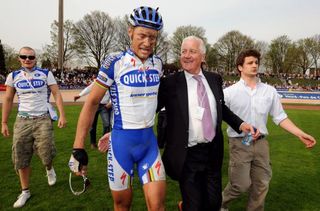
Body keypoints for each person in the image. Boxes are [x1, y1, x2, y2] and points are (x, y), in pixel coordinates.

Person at [69, 6, 166, 211]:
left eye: (153, 37)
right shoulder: (115, 61)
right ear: (130, 31)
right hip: (122, 144)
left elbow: (149, 103)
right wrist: (78, 147)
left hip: (149, 143)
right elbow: (92, 102)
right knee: (122, 205)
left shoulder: (158, 64)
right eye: (142, 35)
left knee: (157, 205)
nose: (147, 43)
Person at [157, 36, 258, 211]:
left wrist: (241, 124)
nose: (186, 55)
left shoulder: (214, 79)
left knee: (213, 203)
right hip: (187, 154)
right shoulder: (170, 83)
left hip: (212, 152)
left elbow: (221, 108)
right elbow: (150, 108)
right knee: (194, 205)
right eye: (183, 51)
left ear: (203, 57)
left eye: (192, 51)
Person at [220, 49, 317, 211]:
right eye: (250, 63)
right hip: (239, 143)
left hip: (262, 144)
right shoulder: (229, 93)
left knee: (261, 184)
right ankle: (219, 204)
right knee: (240, 185)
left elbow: (280, 117)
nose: (254, 65)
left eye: (256, 62)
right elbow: (220, 115)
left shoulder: (269, 91)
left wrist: (300, 134)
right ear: (240, 67)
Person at [1, 46, 67, 208]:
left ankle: (49, 168)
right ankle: (25, 191)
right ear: (19, 58)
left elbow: (57, 94)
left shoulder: (45, 74)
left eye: (31, 57)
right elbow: (8, 99)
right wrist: (3, 122)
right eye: (24, 57)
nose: (27, 60)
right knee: (20, 156)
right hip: (22, 121)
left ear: (35, 58)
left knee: (46, 152)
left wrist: (62, 115)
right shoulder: (13, 76)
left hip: (43, 119)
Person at [74, 81, 112, 149]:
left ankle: (104, 142)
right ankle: (93, 142)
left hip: (105, 106)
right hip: (95, 105)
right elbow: (89, 88)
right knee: (92, 125)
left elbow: (115, 93)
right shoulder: (98, 81)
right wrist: (80, 95)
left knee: (107, 124)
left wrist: (110, 103)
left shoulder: (111, 81)